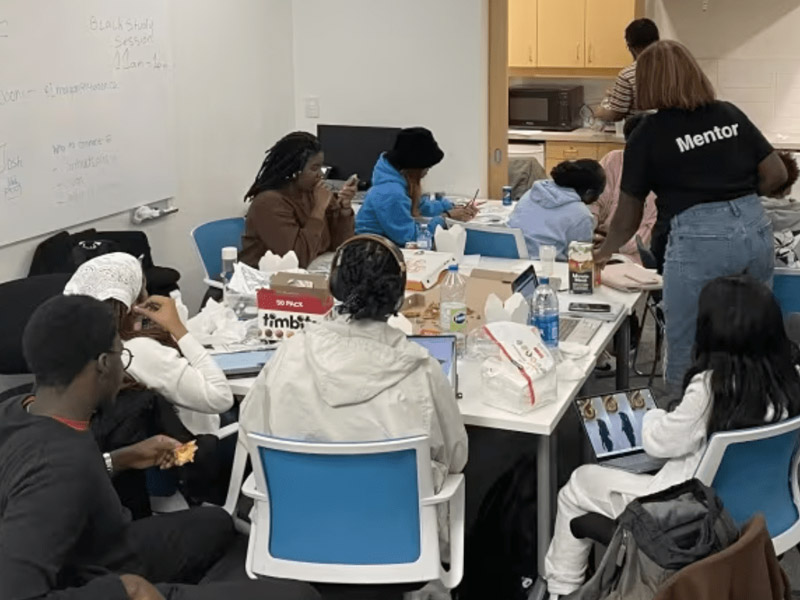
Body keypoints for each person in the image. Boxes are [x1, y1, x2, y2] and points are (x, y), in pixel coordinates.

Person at [0, 294, 319, 600]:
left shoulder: (20, 409)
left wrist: (122, 459)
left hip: (102, 547)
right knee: (299, 595)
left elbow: (35, 478)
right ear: (101, 364)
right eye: (119, 355)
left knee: (216, 523)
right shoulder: (60, 468)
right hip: (95, 580)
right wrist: (126, 591)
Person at [544, 275, 800, 598]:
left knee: (578, 485)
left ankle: (560, 589)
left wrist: (654, 415)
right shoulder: (789, 381)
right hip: (771, 514)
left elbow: (658, 443)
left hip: (691, 518)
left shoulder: (710, 388)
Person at [235, 234, 468, 544]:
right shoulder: (421, 369)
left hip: (296, 534)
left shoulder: (289, 354)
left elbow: (251, 436)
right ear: (398, 297)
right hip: (397, 541)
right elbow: (455, 456)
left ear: (333, 285)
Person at [594, 40, 789, 389]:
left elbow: (627, 215)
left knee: (686, 347)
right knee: (752, 336)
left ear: (649, 83)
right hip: (754, 228)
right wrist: (738, 199)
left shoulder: (647, 135)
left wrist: (603, 253)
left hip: (700, 240)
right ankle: (751, 424)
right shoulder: (729, 114)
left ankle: (683, 428)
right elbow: (777, 174)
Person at [64, 253, 234, 436]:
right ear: (135, 299)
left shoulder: (73, 345)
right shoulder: (140, 350)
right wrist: (178, 330)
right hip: (195, 443)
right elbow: (221, 398)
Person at [240, 131, 357, 269]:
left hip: (310, 271)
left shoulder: (312, 192)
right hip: (268, 280)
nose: (320, 175)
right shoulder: (268, 203)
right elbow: (297, 259)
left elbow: (340, 245)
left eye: (321, 167)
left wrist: (344, 209)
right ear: (294, 171)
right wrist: (318, 209)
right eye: (314, 168)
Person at [355, 127, 477, 247]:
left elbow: (420, 205)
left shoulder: (397, 180)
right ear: (415, 168)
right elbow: (412, 238)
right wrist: (446, 217)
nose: (427, 172)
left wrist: (451, 207)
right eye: (426, 167)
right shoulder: (391, 193)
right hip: (371, 255)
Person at [590, 114, 657, 264]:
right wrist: (589, 234)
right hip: (600, 240)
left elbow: (648, 232)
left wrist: (613, 247)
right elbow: (594, 201)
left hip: (632, 253)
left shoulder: (664, 175)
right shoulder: (613, 160)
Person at [507, 159, 606, 260]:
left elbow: (543, 231)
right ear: (589, 193)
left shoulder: (532, 193)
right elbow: (579, 260)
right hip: (547, 267)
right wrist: (601, 254)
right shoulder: (582, 214)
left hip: (511, 259)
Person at [594, 18, 659, 123]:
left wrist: (601, 112)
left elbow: (616, 114)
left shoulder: (628, 75)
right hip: (673, 134)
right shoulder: (673, 69)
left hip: (641, 134)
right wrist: (619, 96)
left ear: (631, 46)